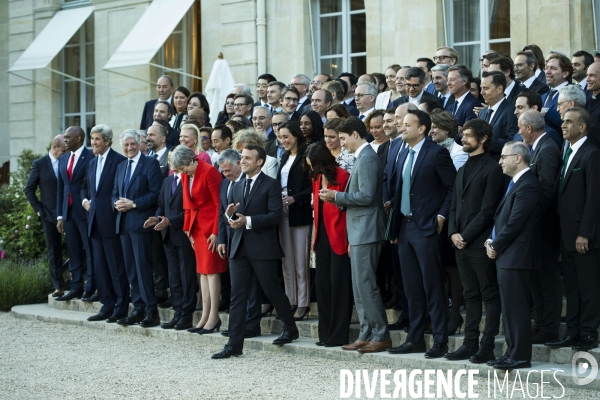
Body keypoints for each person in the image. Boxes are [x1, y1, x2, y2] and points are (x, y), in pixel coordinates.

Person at [212, 145, 299, 359]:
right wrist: (230, 216)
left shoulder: (270, 184)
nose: (243, 161)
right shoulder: (237, 184)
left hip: (262, 247)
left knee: (271, 290)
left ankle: (291, 328)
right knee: (237, 296)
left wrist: (247, 220)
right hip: (238, 247)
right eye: (242, 157)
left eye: (248, 158)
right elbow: (231, 218)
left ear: (260, 162)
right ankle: (234, 344)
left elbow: (275, 216)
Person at [387, 110, 456, 359]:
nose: (401, 127)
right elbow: (400, 190)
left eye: (407, 124)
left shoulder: (437, 153)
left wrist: (441, 216)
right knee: (411, 287)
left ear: (422, 129)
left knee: (433, 285)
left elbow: (452, 188)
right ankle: (414, 338)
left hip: (426, 227)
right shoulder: (403, 152)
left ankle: (440, 340)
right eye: (401, 124)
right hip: (404, 228)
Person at [319, 117, 391, 354]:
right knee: (359, 286)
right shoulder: (364, 156)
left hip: (367, 229)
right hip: (360, 230)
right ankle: (366, 333)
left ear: (355, 134)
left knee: (366, 285)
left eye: (342, 138)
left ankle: (379, 334)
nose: (341, 143)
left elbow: (367, 196)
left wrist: (336, 197)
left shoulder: (368, 157)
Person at [444, 119, 503, 363]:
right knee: (470, 295)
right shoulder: (463, 168)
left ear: (483, 138)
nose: (463, 139)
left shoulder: (493, 168)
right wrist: (453, 233)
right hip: (461, 243)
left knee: (489, 294)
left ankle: (486, 346)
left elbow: (488, 210)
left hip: (479, 243)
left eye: (468, 135)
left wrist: (465, 236)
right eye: (463, 135)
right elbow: (454, 206)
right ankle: (469, 344)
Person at [485, 141, 544, 370]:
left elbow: (515, 223)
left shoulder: (528, 184)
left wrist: (496, 245)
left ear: (517, 158)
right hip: (507, 254)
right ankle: (511, 352)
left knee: (517, 307)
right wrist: (492, 241)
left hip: (516, 255)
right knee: (509, 307)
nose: (500, 161)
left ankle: (519, 356)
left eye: (503, 156)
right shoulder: (515, 183)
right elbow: (503, 220)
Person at [546, 108, 600, 352]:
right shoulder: (566, 151)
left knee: (588, 286)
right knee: (572, 287)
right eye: (563, 121)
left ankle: (589, 333)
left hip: (582, 236)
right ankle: (573, 331)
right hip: (564, 233)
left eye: (569, 121)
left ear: (583, 127)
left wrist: (585, 232)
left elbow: (594, 198)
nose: (564, 125)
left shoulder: (591, 154)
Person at [166, 145, 227, 334]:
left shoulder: (210, 172)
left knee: (212, 272)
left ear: (191, 160)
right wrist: (188, 230)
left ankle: (214, 317)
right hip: (196, 229)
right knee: (202, 272)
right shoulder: (186, 175)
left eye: (182, 167)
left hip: (211, 229)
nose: (180, 172)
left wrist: (217, 232)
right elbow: (187, 206)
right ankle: (204, 316)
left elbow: (220, 205)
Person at [517, 110, 562, 344]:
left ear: (528, 129)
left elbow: (546, 191)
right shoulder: (538, 148)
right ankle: (542, 324)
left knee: (547, 279)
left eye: (519, 127)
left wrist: (533, 221)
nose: (518, 132)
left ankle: (550, 327)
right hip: (536, 227)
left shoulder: (547, 150)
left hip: (544, 227)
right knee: (537, 278)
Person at [111, 129, 163, 327]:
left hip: (141, 224)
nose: (130, 148)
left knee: (143, 268)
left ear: (139, 144)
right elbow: (114, 193)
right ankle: (138, 309)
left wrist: (133, 204)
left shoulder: (150, 163)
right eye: (126, 145)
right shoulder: (121, 166)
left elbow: (156, 193)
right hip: (123, 224)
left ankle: (152, 311)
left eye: (133, 144)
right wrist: (115, 203)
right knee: (131, 270)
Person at [144, 148, 197, 330]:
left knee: (186, 276)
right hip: (167, 236)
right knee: (174, 278)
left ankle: (187, 314)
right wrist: (157, 218)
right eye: (169, 159)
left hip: (184, 234)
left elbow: (190, 210)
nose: (170, 163)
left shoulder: (189, 180)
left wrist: (170, 221)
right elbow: (161, 205)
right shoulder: (167, 181)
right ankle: (177, 312)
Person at [305, 142, 352, 347]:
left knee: (339, 286)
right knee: (323, 286)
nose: (312, 170)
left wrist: (351, 240)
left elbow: (350, 209)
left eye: (314, 165)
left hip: (340, 235)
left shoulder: (342, 176)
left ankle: (338, 335)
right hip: (322, 235)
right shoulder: (316, 178)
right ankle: (325, 334)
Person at [81, 125, 129, 322]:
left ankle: (120, 307)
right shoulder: (92, 162)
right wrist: (85, 201)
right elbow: (85, 187)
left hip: (111, 222)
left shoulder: (118, 161)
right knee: (100, 266)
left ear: (107, 141)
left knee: (116, 267)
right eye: (92, 139)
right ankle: (106, 305)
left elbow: (119, 189)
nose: (93, 142)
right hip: (93, 222)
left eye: (97, 139)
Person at [216, 149, 263, 337]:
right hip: (232, 240)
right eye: (223, 171)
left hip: (250, 239)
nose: (226, 174)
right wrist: (221, 239)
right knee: (238, 288)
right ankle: (238, 326)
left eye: (229, 170)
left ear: (238, 163)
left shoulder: (249, 182)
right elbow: (222, 213)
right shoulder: (225, 184)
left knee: (252, 286)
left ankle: (252, 325)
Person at [276, 121, 313, 320]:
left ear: (296, 136)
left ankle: (304, 301)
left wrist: (295, 198)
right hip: (282, 212)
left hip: (299, 212)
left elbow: (312, 186)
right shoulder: (283, 156)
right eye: (280, 137)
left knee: (301, 261)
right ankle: (290, 299)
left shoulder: (306, 157)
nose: (283, 141)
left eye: (286, 136)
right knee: (286, 260)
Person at [55, 126, 95, 302]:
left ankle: (91, 287)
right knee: (74, 251)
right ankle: (76, 286)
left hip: (85, 212)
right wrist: (60, 215)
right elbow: (61, 189)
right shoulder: (63, 159)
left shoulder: (90, 157)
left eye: (67, 137)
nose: (64, 141)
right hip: (68, 212)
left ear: (78, 138)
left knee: (91, 250)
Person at [25, 135, 66, 297]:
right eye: (63, 150)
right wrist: (39, 210)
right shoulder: (39, 164)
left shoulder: (66, 161)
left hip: (68, 212)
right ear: (54, 147)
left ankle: (77, 279)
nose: (65, 153)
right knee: (53, 250)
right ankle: (58, 285)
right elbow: (29, 189)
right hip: (48, 214)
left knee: (79, 247)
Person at [478, 71, 518, 157]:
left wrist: (485, 140)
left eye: (486, 88)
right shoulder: (482, 112)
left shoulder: (512, 111)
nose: (482, 92)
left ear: (499, 89)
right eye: (481, 88)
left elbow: (512, 142)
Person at [446, 65, 481, 130]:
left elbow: (468, 134)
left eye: (452, 79)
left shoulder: (473, 105)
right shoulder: (451, 107)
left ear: (464, 81)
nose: (448, 83)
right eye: (448, 80)